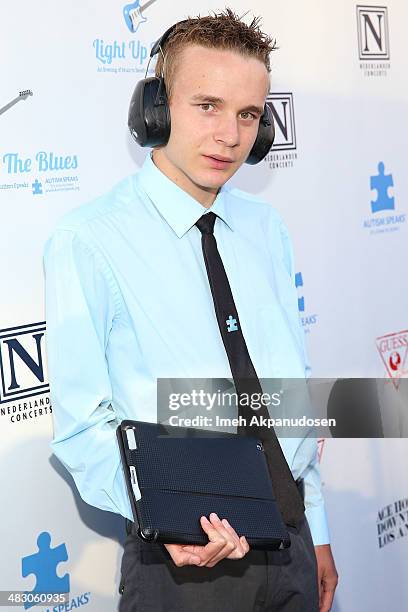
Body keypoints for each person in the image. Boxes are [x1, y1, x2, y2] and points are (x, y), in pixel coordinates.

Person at [43, 8, 338, 612]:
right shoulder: (89, 239)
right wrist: (168, 517)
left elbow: (287, 396)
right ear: (153, 111)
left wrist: (319, 528)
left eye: (248, 114)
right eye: (207, 105)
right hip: (183, 568)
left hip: (294, 550)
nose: (230, 134)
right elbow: (79, 425)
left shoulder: (266, 227)